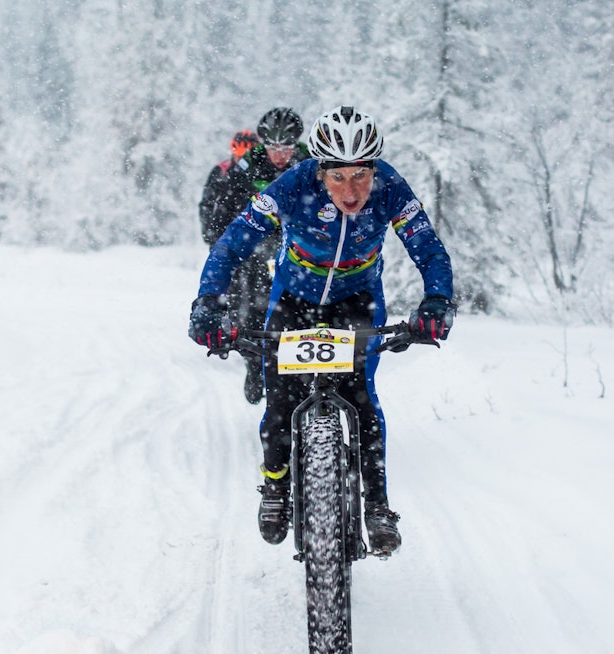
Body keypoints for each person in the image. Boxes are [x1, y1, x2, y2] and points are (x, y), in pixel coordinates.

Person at [188, 106, 455, 556]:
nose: (350, 192)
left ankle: (378, 506)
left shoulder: (390, 186)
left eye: (360, 177)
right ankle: (275, 486)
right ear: (319, 170)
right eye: (338, 178)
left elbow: (427, 247)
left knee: (361, 396)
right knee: (281, 396)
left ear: (374, 169)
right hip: (294, 298)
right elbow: (233, 242)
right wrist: (208, 303)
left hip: (357, 299)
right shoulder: (293, 184)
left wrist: (436, 300)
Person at [218, 108, 311, 404]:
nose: (280, 155)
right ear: (264, 145)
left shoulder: (310, 161)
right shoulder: (248, 165)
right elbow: (226, 207)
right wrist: (227, 245)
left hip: (300, 244)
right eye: (273, 148)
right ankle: (255, 364)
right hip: (259, 243)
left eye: (286, 148)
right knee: (254, 301)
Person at [198, 129, 259, 245]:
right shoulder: (221, 171)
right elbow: (207, 203)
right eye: (239, 157)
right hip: (224, 229)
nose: (243, 162)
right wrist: (208, 231)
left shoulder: (262, 173)